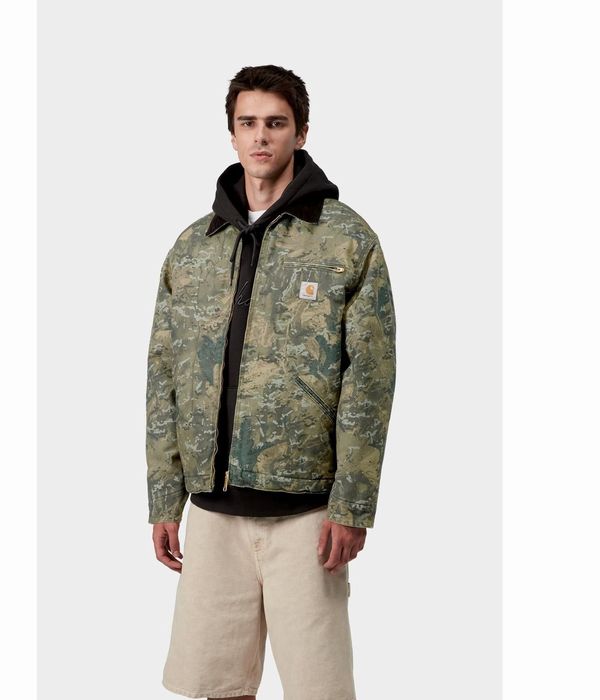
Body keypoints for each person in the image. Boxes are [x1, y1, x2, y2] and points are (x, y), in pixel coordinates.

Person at [146, 64, 397, 700]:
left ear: (301, 133)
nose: (261, 137)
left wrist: (352, 504)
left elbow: (369, 380)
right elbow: (164, 377)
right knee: (218, 685)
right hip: (212, 511)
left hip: (307, 512)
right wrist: (164, 499)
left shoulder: (346, 240)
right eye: (248, 123)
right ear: (231, 133)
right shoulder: (193, 248)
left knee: (318, 689)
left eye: (276, 123)